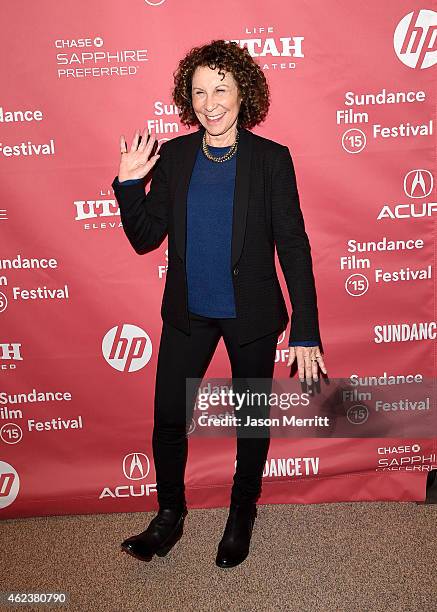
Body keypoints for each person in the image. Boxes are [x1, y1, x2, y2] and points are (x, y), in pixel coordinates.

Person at [111, 39, 327, 569]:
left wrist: (306, 328)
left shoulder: (271, 159)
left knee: (249, 419)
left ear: (242, 93)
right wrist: (128, 183)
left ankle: (240, 514)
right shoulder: (177, 156)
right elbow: (145, 238)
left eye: (221, 89)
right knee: (168, 419)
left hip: (251, 313)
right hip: (189, 311)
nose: (210, 102)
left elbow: (294, 245)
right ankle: (169, 516)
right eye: (200, 91)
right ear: (189, 98)